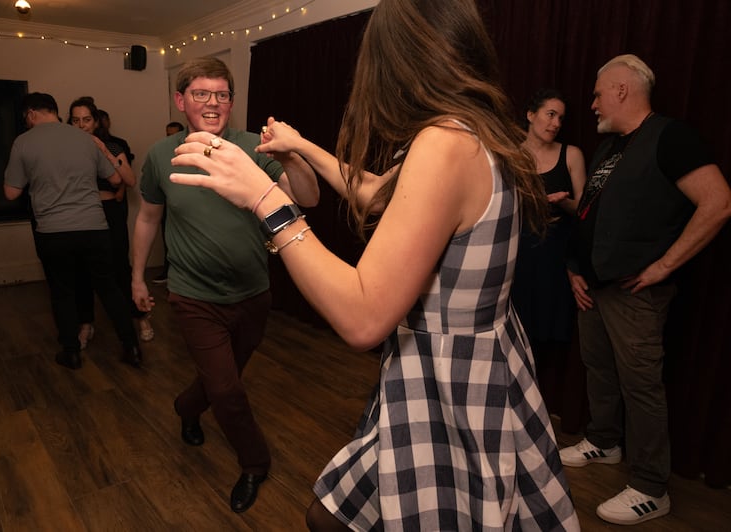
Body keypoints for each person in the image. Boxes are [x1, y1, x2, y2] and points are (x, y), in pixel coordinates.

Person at [166, 1, 579, 529]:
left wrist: (265, 198)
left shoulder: (444, 144)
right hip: (476, 363)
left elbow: (362, 317)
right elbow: (379, 194)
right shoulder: (476, 130)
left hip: (447, 383)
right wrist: (300, 147)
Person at [130, 57, 319, 514]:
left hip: (254, 293)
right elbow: (148, 217)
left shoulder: (255, 147)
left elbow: (307, 199)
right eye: (201, 94)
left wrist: (292, 156)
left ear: (231, 102)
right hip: (193, 296)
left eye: (222, 95)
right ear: (181, 100)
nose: (212, 103)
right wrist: (136, 276)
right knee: (228, 390)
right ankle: (255, 463)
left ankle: (186, 407)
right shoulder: (160, 155)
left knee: (223, 379)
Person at [559, 54, 731, 525]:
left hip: (635, 291)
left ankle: (652, 488)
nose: (591, 103)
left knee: (641, 385)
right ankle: (604, 441)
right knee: (599, 368)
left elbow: (718, 203)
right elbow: (594, 214)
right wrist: (575, 267)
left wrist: (662, 267)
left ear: (621, 89)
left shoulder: (670, 136)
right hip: (593, 285)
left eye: (597, 94)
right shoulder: (610, 147)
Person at [4, 92, 143, 369]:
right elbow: (116, 178)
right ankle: (132, 347)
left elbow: (10, 193)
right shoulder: (86, 139)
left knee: (62, 291)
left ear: (30, 114)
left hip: (53, 231)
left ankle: (71, 352)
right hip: (94, 227)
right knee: (109, 289)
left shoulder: (23, 142)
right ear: (55, 112)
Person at [511, 88, 586, 400]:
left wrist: (564, 202)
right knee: (513, 327)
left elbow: (584, 208)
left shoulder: (571, 154)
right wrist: (536, 201)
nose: (556, 123)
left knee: (541, 333)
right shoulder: (511, 153)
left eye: (561, 118)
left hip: (553, 255)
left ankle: (531, 404)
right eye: (550, 114)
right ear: (531, 115)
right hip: (516, 253)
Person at [68, 97, 154, 346]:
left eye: (86, 120)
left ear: (95, 121)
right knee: (81, 270)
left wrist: (103, 150)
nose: (82, 125)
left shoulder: (113, 146)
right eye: (76, 120)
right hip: (80, 214)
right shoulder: (68, 148)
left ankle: (141, 317)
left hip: (109, 211)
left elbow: (129, 179)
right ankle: (85, 324)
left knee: (119, 266)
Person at [152, 120, 185, 285]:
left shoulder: (190, 153)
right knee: (167, 236)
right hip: (167, 202)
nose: (170, 138)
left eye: (174, 135)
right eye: (168, 135)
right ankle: (168, 270)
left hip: (186, 205)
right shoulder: (162, 154)